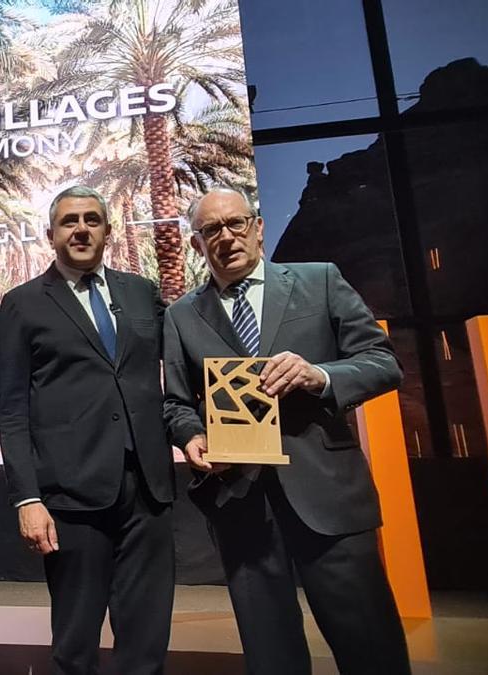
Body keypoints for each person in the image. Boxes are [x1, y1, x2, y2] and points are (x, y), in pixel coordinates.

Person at [162, 186, 411, 675]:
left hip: (329, 494)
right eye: (211, 229)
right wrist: (191, 436)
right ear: (196, 244)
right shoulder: (180, 315)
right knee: (270, 651)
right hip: (241, 502)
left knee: (368, 642)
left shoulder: (319, 281)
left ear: (258, 227)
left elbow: (384, 363)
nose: (226, 237)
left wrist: (320, 376)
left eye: (236, 224)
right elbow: (175, 404)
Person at [0, 185, 174, 675]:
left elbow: (180, 364)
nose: (81, 229)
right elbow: (11, 409)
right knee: (75, 642)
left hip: (149, 489)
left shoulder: (140, 292)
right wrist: (26, 499)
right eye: (69, 221)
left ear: (108, 231)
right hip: (70, 495)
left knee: (147, 639)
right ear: (50, 235)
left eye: (92, 219)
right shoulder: (23, 303)